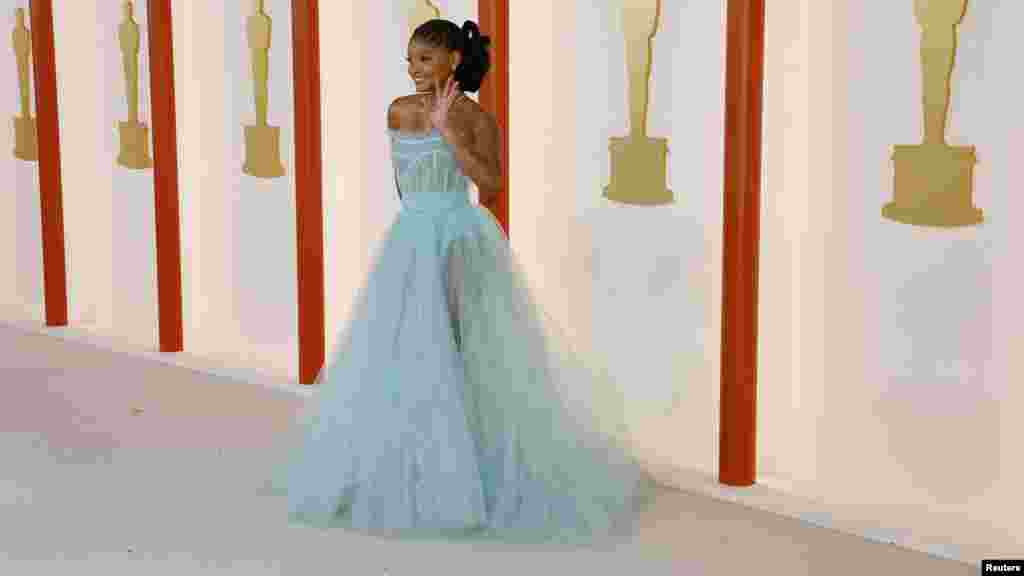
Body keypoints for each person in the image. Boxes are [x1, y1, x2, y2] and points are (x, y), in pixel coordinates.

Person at [274, 19, 658, 547]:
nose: (414, 71)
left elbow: (493, 187)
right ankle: (407, 468)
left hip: (459, 238)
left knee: (464, 350)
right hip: (412, 238)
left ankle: (469, 474)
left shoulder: (477, 119)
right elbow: (402, 181)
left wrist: (449, 131)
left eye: (426, 60)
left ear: (454, 60)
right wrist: (417, 216)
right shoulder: (398, 111)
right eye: (410, 61)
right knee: (402, 351)